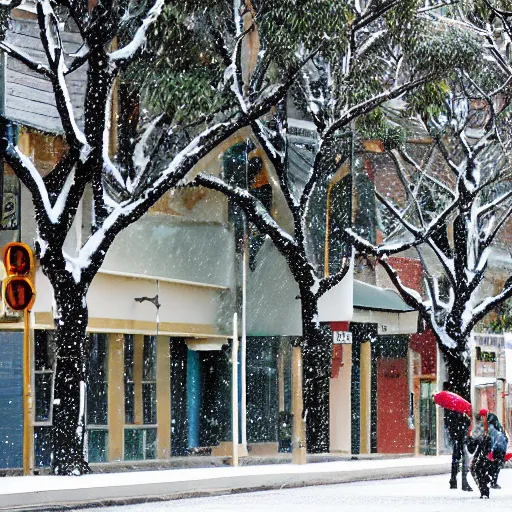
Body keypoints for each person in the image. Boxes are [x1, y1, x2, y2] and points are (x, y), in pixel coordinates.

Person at [443, 382, 472, 491]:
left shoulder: (448, 411)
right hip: (460, 437)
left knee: (455, 458)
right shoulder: (458, 412)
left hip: (455, 437)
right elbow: (465, 423)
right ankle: (463, 482)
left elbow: (448, 424)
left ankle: (453, 480)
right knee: (464, 458)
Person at [479, 409, 508, 490]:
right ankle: (493, 481)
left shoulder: (491, 427)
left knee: (495, 465)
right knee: (495, 465)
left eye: (483, 417)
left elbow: (494, 439)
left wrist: (491, 449)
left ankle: (492, 481)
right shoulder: (492, 425)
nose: (482, 418)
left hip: (497, 447)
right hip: (497, 447)